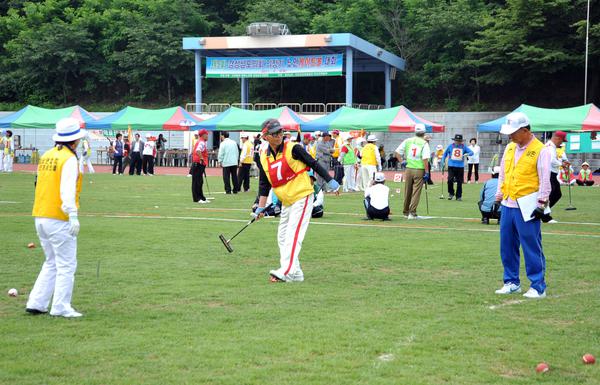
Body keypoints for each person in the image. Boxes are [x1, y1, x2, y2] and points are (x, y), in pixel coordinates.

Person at [253, 119, 340, 283]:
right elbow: (264, 183)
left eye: (280, 132)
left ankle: (286, 271)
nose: (279, 136)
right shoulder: (264, 157)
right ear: (265, 136)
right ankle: (296, 272)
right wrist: (261, 207)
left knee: (293, 235)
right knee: (282, 236)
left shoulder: (294, 148)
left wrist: (330, 180)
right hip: (287, 201)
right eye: (274, 133)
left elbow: (312, 163)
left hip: (302, 196)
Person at [26, 117, 86, 317]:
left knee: (51, 261)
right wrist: (73, 214)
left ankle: (37, 302)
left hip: (41, 214)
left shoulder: (48, 155)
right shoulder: (69, 159)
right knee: (67, 264)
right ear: (75, 140)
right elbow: (66, 190)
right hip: (59, 216)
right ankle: (60, 306)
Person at [494, 112, 551, 299]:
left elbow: (544, 180)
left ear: (525, 130)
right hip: (508, 203)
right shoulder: (510, 147)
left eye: (513, 132)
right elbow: (503, 172)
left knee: (531, 246)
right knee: (507, 245)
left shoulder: (541, 150)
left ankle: (538, 286)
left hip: (528, 206)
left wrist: (541, 204)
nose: (509, 136)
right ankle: (511, 282)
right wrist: (499, 194)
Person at [394, 124, 430, 219]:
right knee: (416, 192)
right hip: (419, 169)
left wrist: (402, 162)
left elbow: (397, 153)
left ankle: (406, 212)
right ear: (424, 132)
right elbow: (425, 159)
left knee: (407, 191)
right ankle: (412, 213)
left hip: (408, 169)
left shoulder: (408, 140)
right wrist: (427, 172)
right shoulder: (424, 143)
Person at [442, 134, 473, 201]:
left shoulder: (464, 147)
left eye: (459, 141)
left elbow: (471, 152)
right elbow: (445, 154)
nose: (458, 142)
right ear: (454, 140)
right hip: (451, 166)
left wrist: (467, 154)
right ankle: (451, 193)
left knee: (459, 182)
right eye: (456, 140)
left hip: (460, 166)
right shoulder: (450, 146)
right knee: (450, 180)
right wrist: (443, 161)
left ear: (461, 141)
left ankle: (458, 196)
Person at [546, 131, 569, 208]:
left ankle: (543, 213)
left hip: (552, 174)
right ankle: (543, 213)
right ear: (557, 138)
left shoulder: (552, 147)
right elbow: (552, 160)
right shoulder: (550, 147)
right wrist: (562, 164)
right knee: (552, 194)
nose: (561, 143)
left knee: (556, 194)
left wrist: (563, 161)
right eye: (561, 141)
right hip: (549, 173)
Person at [191, 129, 209, 203]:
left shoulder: (202, 142)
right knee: (197, 181)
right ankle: (197, 198)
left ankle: (201, 197)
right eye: (207, 134)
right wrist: (201, 158)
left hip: (199, 164)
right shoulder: (201, 142)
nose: (208, 136)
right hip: (198, 163)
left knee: (200, 181)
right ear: (204, 135)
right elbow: (198, 151)